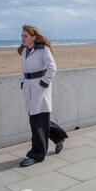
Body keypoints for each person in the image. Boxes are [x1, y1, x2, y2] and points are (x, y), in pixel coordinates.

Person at [17, 24, 65, 167]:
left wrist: (43, 83)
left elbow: (52, 68)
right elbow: (23, 70)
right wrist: (22, 82)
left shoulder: (43, 49)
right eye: (22, 35)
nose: (23, 38)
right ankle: (59, 136)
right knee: (39, 118)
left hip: (40, 88)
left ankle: (37, 154)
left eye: (25, 36)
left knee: (36, 120)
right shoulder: (25, 51)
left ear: (33, 37)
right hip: (28, 87)